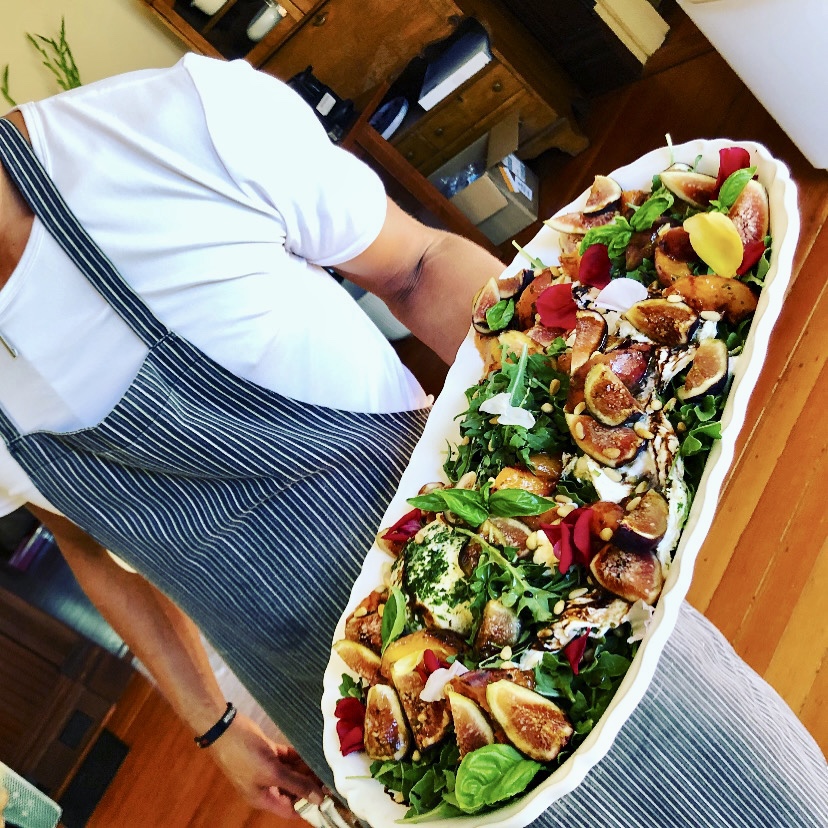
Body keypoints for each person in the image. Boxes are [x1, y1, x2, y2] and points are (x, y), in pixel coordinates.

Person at [0, 54, 825, 827]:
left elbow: (417, 265)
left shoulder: (177, 126)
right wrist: (210, 723)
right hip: (338, 706)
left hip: (550, 583)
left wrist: (607, 394)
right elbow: (77, 535)